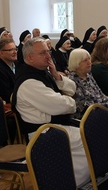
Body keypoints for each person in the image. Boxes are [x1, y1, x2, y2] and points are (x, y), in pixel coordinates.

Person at [11, 37, 89, 185]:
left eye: (48, 52)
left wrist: (56, 75)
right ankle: (73, 183)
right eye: (43, 53)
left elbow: (72, 88)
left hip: (55, 125)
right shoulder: (29, 82)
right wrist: (68, 99)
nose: (48, 56)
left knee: (91, 131)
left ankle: (85, 179)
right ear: (30, 57)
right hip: (42, 134)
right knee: (87, 137)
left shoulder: (43, 72)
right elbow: (67, 106)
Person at [67, 49, 108, 152]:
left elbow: (100, 95)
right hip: (87, 115)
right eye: (85, 60)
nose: (90, 62)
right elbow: (84, 105)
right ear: (76, 62)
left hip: (101, 109)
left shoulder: (88, 75)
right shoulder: (71, 80)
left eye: (89, 59)